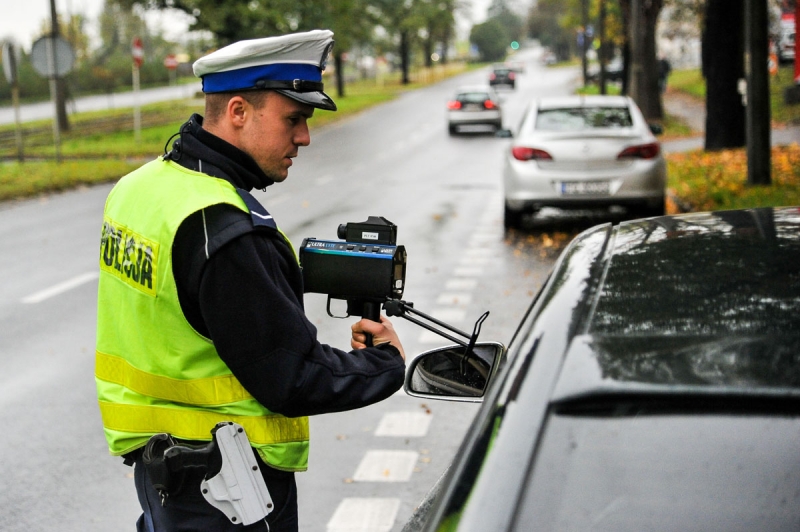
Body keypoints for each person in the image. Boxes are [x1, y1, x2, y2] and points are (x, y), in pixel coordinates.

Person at [95, 29, 406, 532]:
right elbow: (293, 377)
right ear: (238, 112)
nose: (304, 138)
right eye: (294, 119)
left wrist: (279, 284)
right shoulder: (227, 231)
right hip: (234, 497)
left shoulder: (137, 189)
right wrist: (383, 363)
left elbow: (186, 304)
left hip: (164, 486)